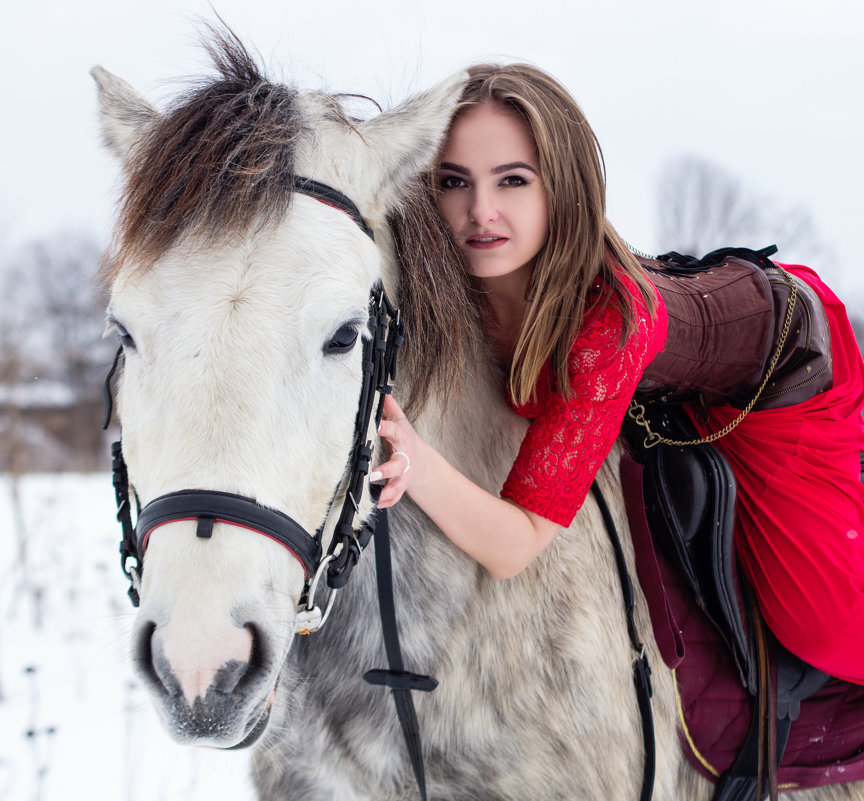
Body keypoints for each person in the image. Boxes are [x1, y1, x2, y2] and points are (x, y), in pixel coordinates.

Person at [371, 63, 864, 685]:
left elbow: (514, 545)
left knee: (828, 629)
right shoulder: (460, 278)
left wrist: (417, 460)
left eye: (514, 180)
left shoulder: (603, 333)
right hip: (677, 365)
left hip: (784, 363)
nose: (480, 211)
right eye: (453, 181)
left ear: (563, 190)